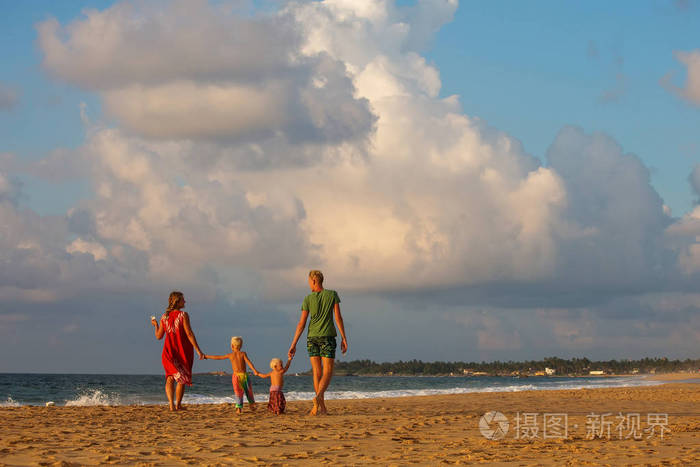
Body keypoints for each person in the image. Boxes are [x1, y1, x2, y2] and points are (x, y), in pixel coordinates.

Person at [288, 270, 348, 415]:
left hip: (312, 338)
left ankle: (320, 408)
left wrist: (293, 343)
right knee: (327, 371)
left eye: (309, 281)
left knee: (317, 372)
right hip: (327, 336)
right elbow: (338, 318)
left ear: (314, 280)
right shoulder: (332, 295)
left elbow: (301, 324)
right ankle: (319, 397)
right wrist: (344, 337)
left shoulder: (308, 299)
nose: (308, 284)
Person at [150, 291, 205, 411]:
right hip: (182, 352)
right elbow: (189, 334)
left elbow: (158, 336)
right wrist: (198, 350)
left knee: (170, 377)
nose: (185, 301)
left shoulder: (164, 317)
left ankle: (171, 405)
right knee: (182, 378)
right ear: (177, 302)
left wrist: (155, 325)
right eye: (183, 300)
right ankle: (178, 405)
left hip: (168, 352)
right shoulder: (183, 315)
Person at [205, 336, 259, 414]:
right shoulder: (243, 354)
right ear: (241, 346)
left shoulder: (231, 355)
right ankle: (251, 405)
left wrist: (207, 356)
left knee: (238, 392)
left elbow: (218, 357)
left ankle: (239, 408)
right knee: (248, 391)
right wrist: (255, 371)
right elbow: (249, 363)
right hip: (244, 376)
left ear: (232, 346)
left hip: (236, 376)